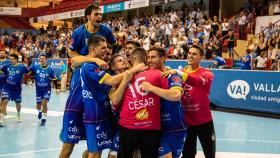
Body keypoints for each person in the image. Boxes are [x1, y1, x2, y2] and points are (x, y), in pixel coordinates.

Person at [59, 3, 116, 157]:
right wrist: (92, 60)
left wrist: (105, 60)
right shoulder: (78, 33)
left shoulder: (106, 30)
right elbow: (72, 55)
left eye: (100, 14)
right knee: (69, 144)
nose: (99, 17)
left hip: (98, 85)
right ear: (88, 16)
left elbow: (113, 47)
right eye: (96, 14)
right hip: (82, 80)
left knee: (96, 146)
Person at [80, 35, 147, 158]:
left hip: (132, 121)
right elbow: (114, 95)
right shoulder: (108, 76)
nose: (106, 51)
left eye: (131, 49)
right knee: (96, 151)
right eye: (103, 48)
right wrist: (129, 74)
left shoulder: (139, 73)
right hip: (108, 119)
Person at [162, 45, 215, 158]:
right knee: (188, 153)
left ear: (201, 57)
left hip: (204, 121)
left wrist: (178, 73)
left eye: (194, 54)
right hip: (186, 122)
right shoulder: (180, 72)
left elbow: (197, 81)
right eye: (189, 53)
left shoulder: (207, 74)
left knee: (209, 152)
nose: (190, 55)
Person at [112, 48, 167, 158]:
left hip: (127, 126)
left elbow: (114, 101)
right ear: (146, 59)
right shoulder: (158, 73)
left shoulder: (121, 78)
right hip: (150, 126)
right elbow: (169, 94)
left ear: (131, 60)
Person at [141, 47, 187, 158]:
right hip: (157, 129)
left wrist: (151, 88)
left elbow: (176, 95)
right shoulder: (146, 76)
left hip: (176, 127)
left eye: (153, 57)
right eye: (148, 57)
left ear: (162, 58)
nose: (149, 60)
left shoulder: (172, 75)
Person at [28, 54, 60, 126]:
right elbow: (28, 71)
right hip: (38, 90)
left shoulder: (50, 69)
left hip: (46, 89)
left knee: (44, 103)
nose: (41, 60)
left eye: (43, 58)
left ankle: (44, 119)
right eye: (40, 58)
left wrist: (57, 88)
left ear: (46, 59)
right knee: (38, 106)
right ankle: (40, 111)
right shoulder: (35, 67)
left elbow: (54, 79)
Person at [0, 54, 29, 123]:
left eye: (12, 59)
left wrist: (26, 81)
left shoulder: (22, 67)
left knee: (18, 103)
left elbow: (29, 73)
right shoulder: (7, 66)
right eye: (10, 58)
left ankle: (18, 115)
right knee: (5, 101)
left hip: (17, 89)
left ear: (16, 59)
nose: (10, 60)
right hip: (7, 87)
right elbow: (1, 71)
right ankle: (1, 119)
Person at [0, 49, 10, 127]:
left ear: (5, 54)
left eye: (3, 53)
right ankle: (2, 111)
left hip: (5, 83)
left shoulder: (8, 62)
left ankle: (1, 119)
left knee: (5, 99)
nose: (1, 54)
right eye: (1, 53)